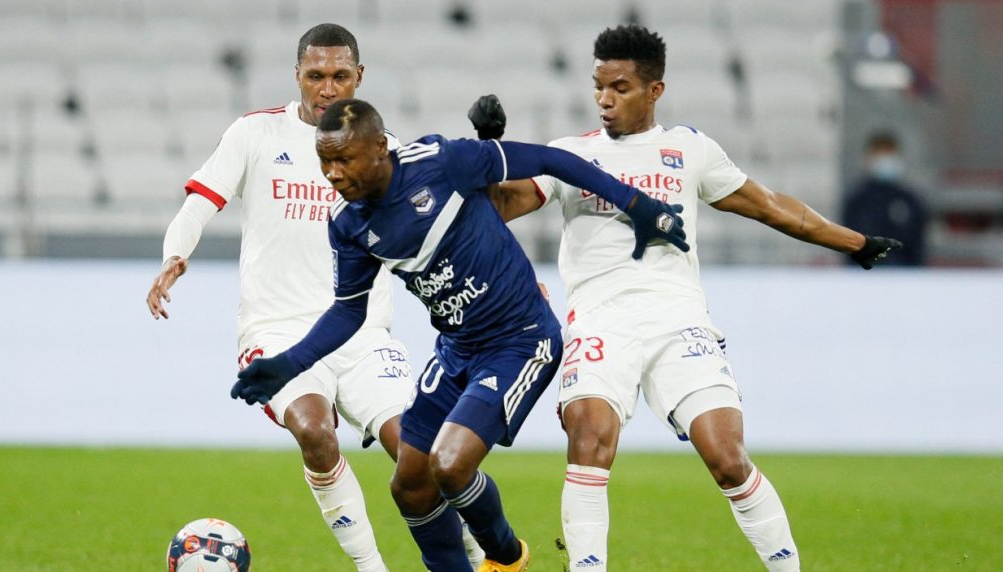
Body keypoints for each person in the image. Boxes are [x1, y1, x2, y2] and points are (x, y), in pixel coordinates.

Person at [468, 25, 901, 572]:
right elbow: (500, 208)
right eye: (598, 86)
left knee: (727, 457)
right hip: (600, 322)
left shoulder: (689, 150)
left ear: (655, 90)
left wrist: (854, 242)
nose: (604, 99)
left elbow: (770, 205)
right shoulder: (568, 155)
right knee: (589, 436)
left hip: (678, 320)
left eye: (619, 88)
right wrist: (489, 151)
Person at [229, 98, 688, 572]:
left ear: (379, 149)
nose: (332, 173)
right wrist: (288, 364)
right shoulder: (349, 226)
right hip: (455, 351)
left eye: (343, 159)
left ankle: (506, 558)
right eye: (325, 160)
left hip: (520, 339)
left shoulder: (442, 162)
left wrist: (636, 204)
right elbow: (348, 312)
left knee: (448, 465)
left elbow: (553, 160)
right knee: (409, 485)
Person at [144, 24, 489, 571]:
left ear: (359, 78)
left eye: (339, 76)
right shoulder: (255, 135)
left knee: (421, 455)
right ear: (297, 76)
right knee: (315, 431)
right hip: (277, 331)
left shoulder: (386, 152)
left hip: (364, 332)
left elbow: (449, 227)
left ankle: (478, 554)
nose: (327, 88)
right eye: (315, 76)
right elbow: (199, 203)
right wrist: (174, 254)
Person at [843, 131, 928, 266]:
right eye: (880, 154)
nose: (886, 160)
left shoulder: (910, 201)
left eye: (889, 154)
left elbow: (918, 246)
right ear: (868, 158)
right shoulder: (857, 201)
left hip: (904, 275)